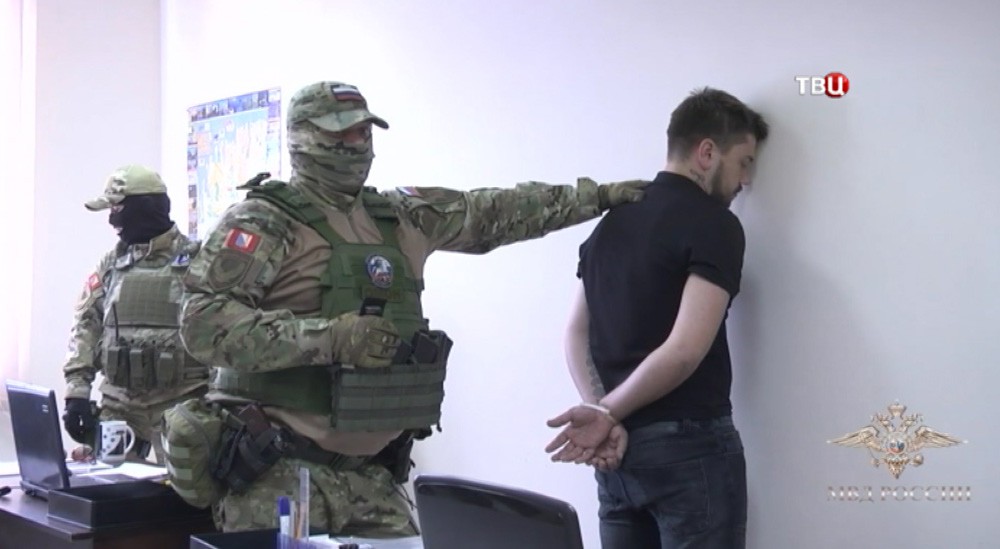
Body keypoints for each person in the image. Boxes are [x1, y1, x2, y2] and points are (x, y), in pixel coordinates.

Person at [171, 80, 648, 536]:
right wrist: (329, 339)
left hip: (374, 480)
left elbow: (494, 211)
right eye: (341, 133)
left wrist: (599, 198)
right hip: (280, 478)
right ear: (302, 138)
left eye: (364, 132)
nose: (357, 144)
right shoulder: (265, 221)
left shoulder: (399, 216)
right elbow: (202, 324)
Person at [545, 87, 769, 548]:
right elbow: (684, 350)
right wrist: (605, 414)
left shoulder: (612, 221)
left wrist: (600, 411)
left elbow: (575, 331)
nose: (745, 180)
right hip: (689, 449)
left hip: (619, 454)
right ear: (707, 152)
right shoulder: (715, 223)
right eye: (743, 162)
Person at [62, 164, 210, 465]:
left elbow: (220, 334)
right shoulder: (112, 262)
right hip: (119, 407)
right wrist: (76, 393)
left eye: (117, 209)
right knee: (111, 487)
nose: (111, 220)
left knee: (184, 492)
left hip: (181, 407)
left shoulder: (199, 261)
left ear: (144, 208)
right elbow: (86, 325)